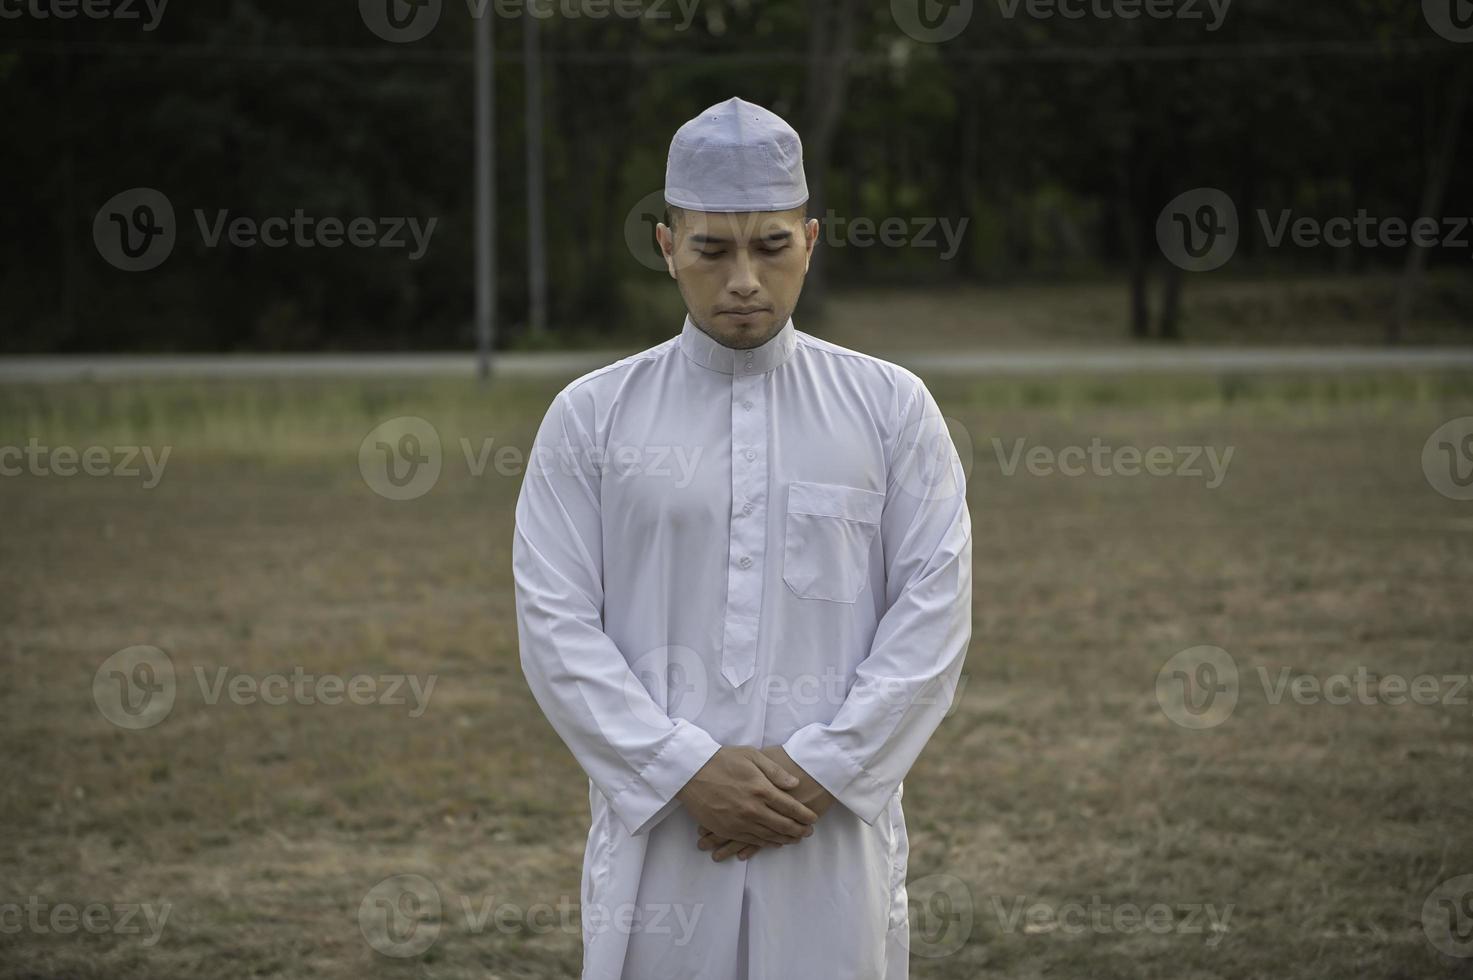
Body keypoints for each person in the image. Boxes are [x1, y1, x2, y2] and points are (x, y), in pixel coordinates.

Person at [512, 95, 973, 980]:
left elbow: (933, 616)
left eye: (769, 246)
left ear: (810, 239)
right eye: (711, 249)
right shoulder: (593, 418)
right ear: (665, 245)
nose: (743, 282)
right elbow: (556, 629)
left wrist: (818, 771)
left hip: (828, 830)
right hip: (663, 831)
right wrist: (684, 771)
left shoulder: (889, 409)